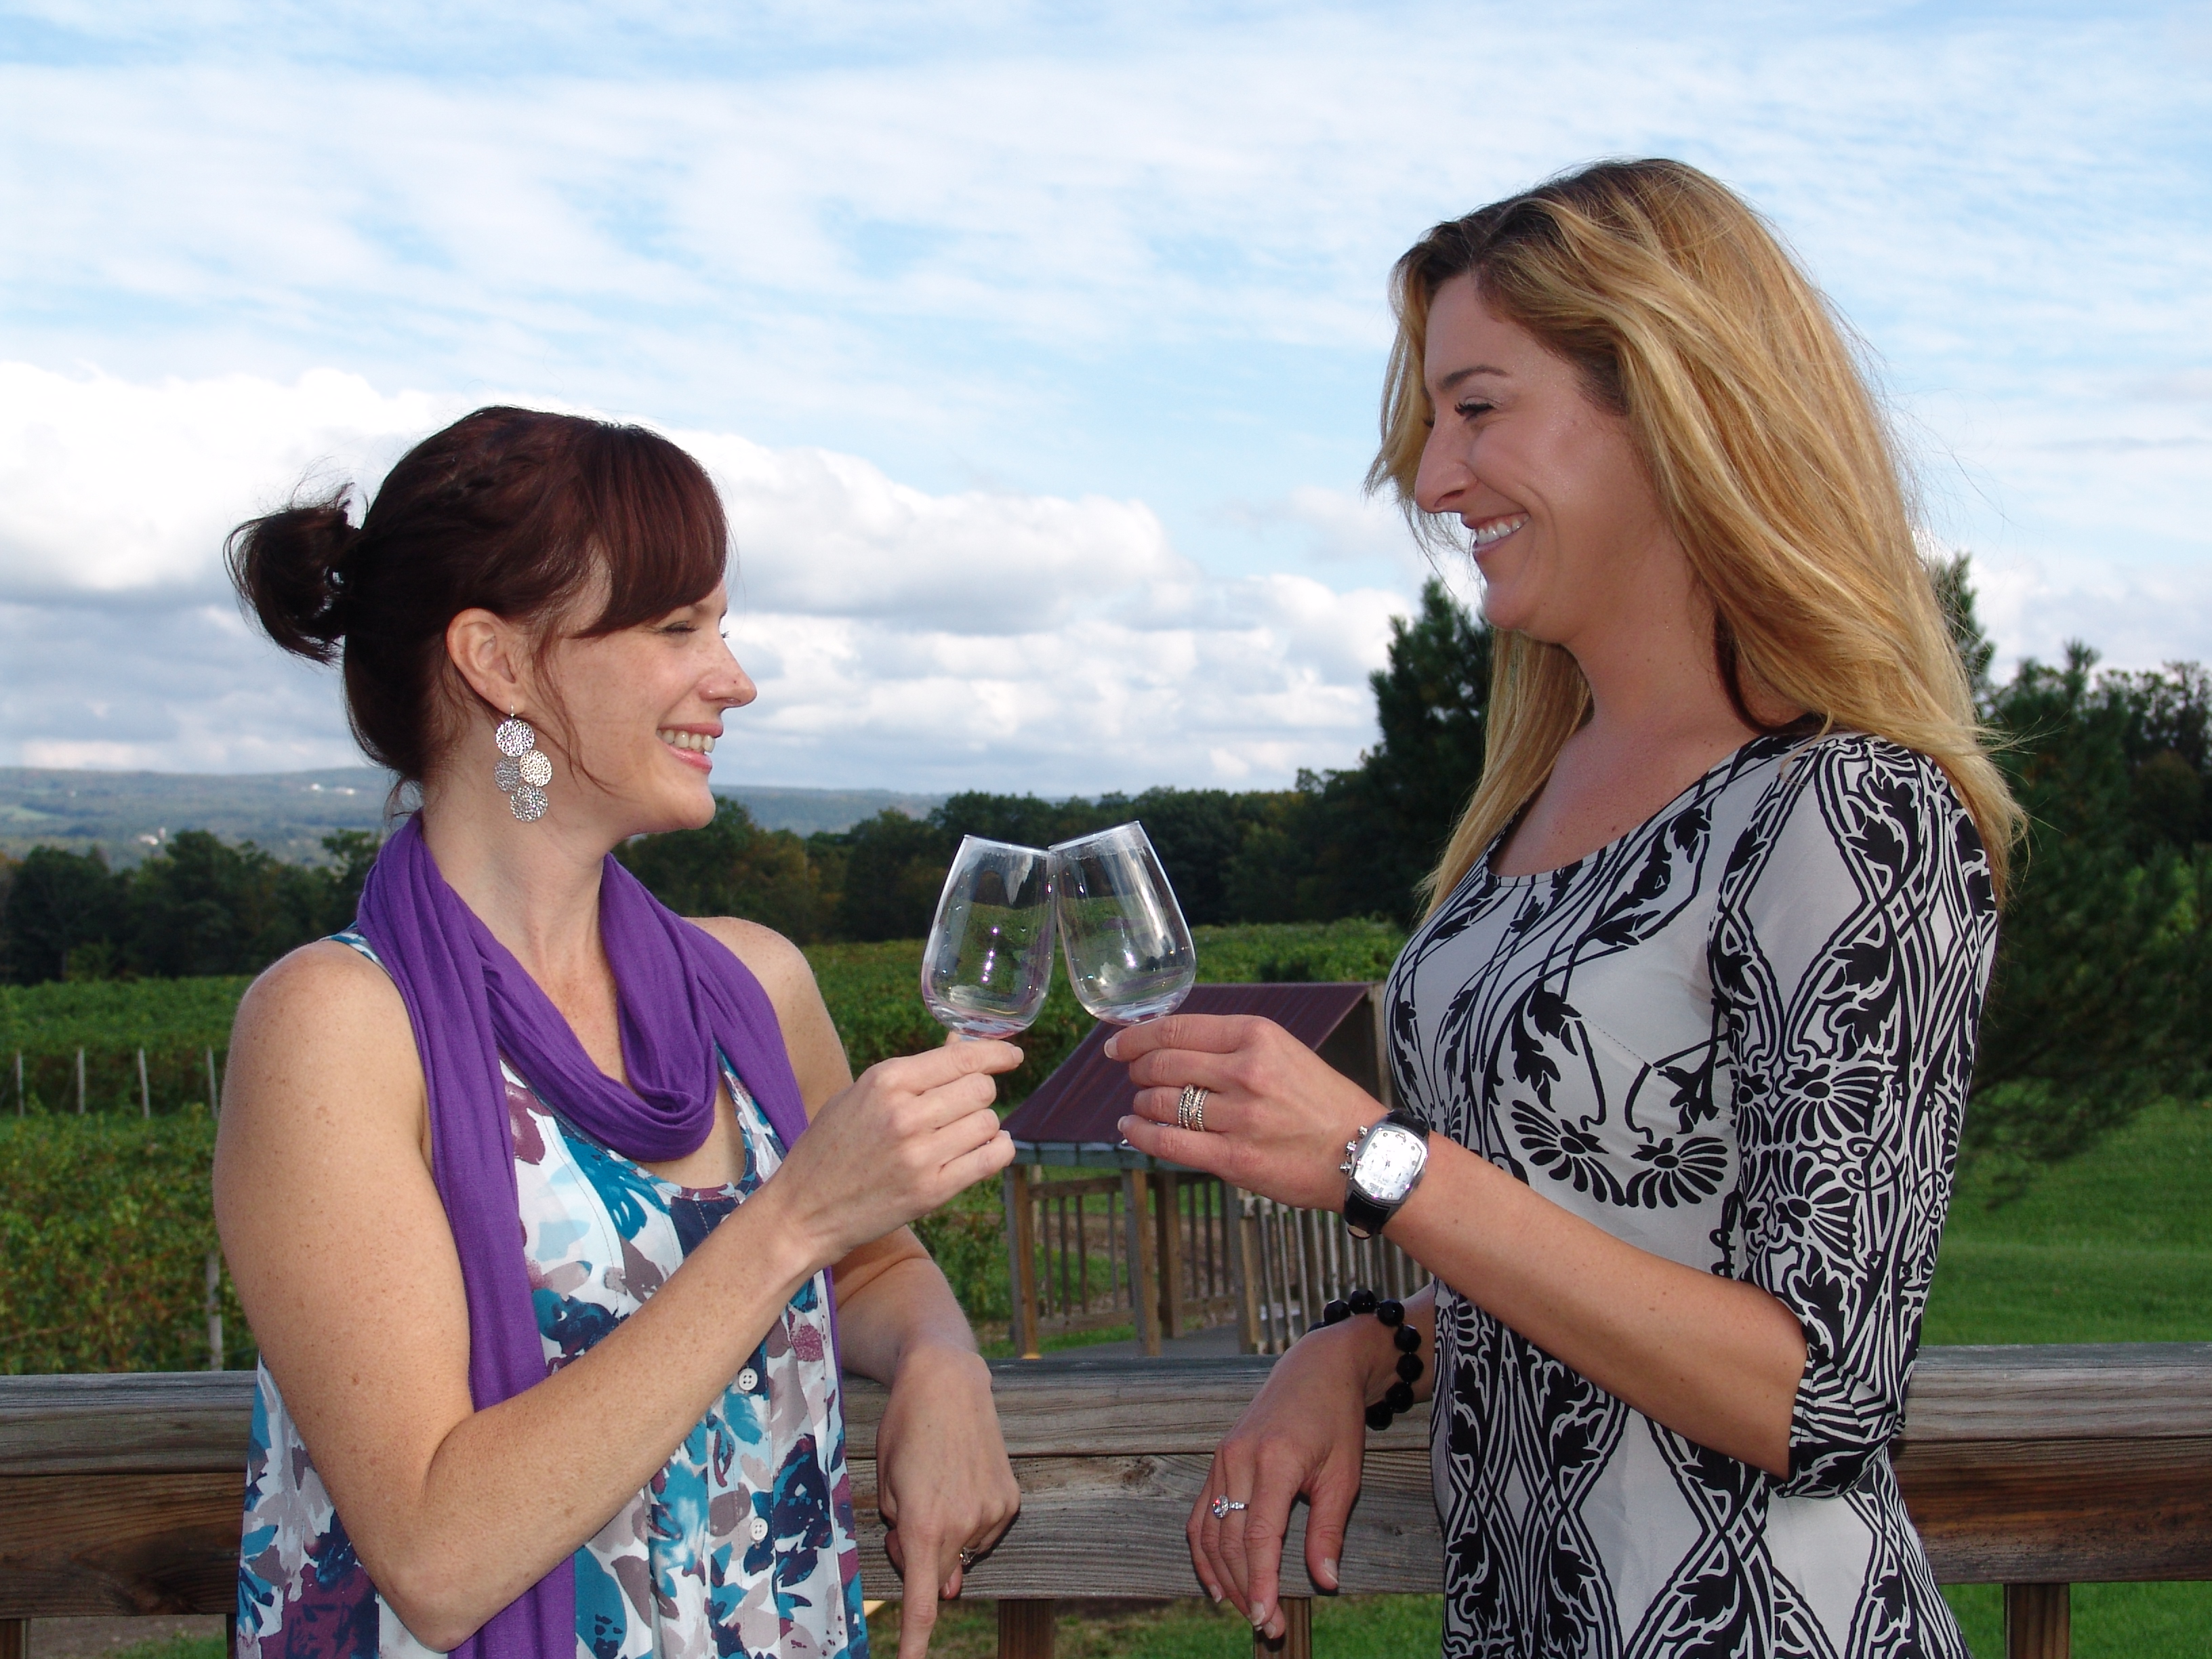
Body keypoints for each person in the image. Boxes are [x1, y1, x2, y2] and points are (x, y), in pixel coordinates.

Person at [1112, 159, 2020, 1658]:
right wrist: (1369, 1348)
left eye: (1477, 409)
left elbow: (1824, 1394)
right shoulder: (1533, 804)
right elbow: (1611, 1253)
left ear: (1672, 402)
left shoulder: (1850, 807)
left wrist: (1372, 1160)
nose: (1434, 480)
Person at [215, 407, 1021, 1659]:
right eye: (675, 627)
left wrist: (942, 1361)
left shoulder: (750, 987)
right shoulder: (334, 1032)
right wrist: (793, 1217)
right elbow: (437, 1553)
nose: (734, 676)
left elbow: (874, 1269)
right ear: (500, 660)